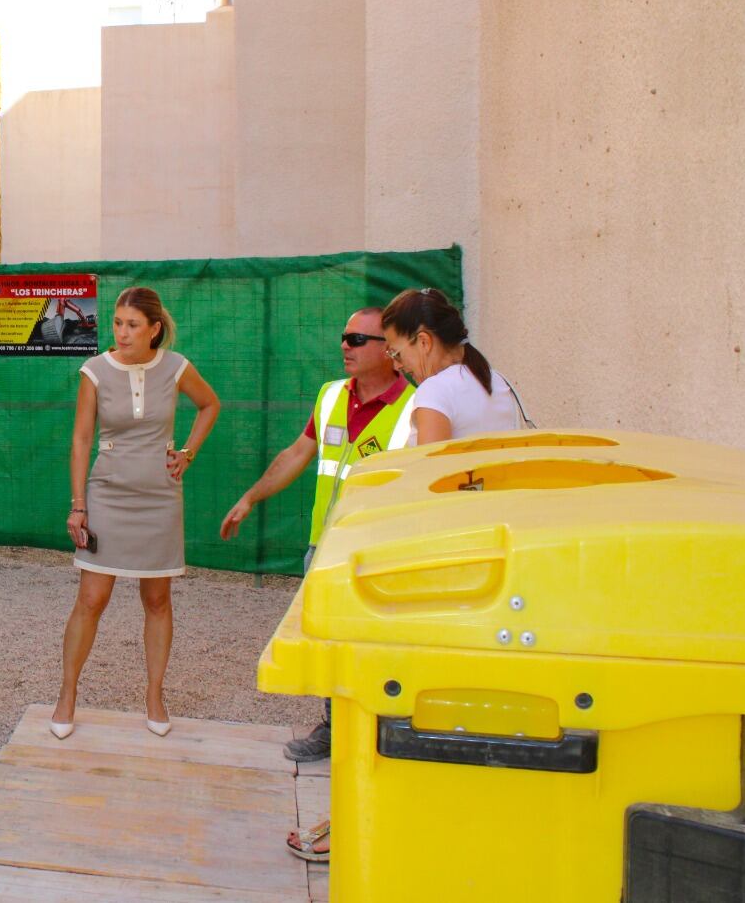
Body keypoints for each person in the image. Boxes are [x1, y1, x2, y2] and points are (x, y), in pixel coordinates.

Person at [283, 286, 521, 864]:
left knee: (385, 696)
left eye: (396, 350)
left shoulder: (435, 393)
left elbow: (427, 494)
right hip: (485, 570)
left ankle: (363, 825)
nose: (395, 364)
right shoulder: (497, 384)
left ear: (422, 340)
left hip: (431, 574)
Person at [219, 308, 413, 765]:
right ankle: (336, 728)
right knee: (328, 644)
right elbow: (297, 453)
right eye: (343, 336)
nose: (345, 345)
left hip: (379, 553)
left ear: (390, 350)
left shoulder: (415, 409)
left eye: (357, 339)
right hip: (323, 548)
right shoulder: (330, 397)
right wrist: (250, 497)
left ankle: (382, 734)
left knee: (378, 646)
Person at [50, 287, 221, 739]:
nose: (121, 332)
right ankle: (67, 694)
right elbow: (81, 441)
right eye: (117, 323)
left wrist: (188, 452)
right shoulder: (94, 371)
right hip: (107, 494)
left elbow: (210, 405)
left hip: (161, 498)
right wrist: (78, 505)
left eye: (132, 325)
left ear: (154, 329)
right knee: (91, 599)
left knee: (158, 600)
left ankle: (154, 694)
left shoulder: (176, 366)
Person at [381, 287, 522, 447]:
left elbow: (432, 468)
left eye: (396, 354)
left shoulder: (434, 389)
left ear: (423, 342)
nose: (397, 365)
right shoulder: (497, 380)